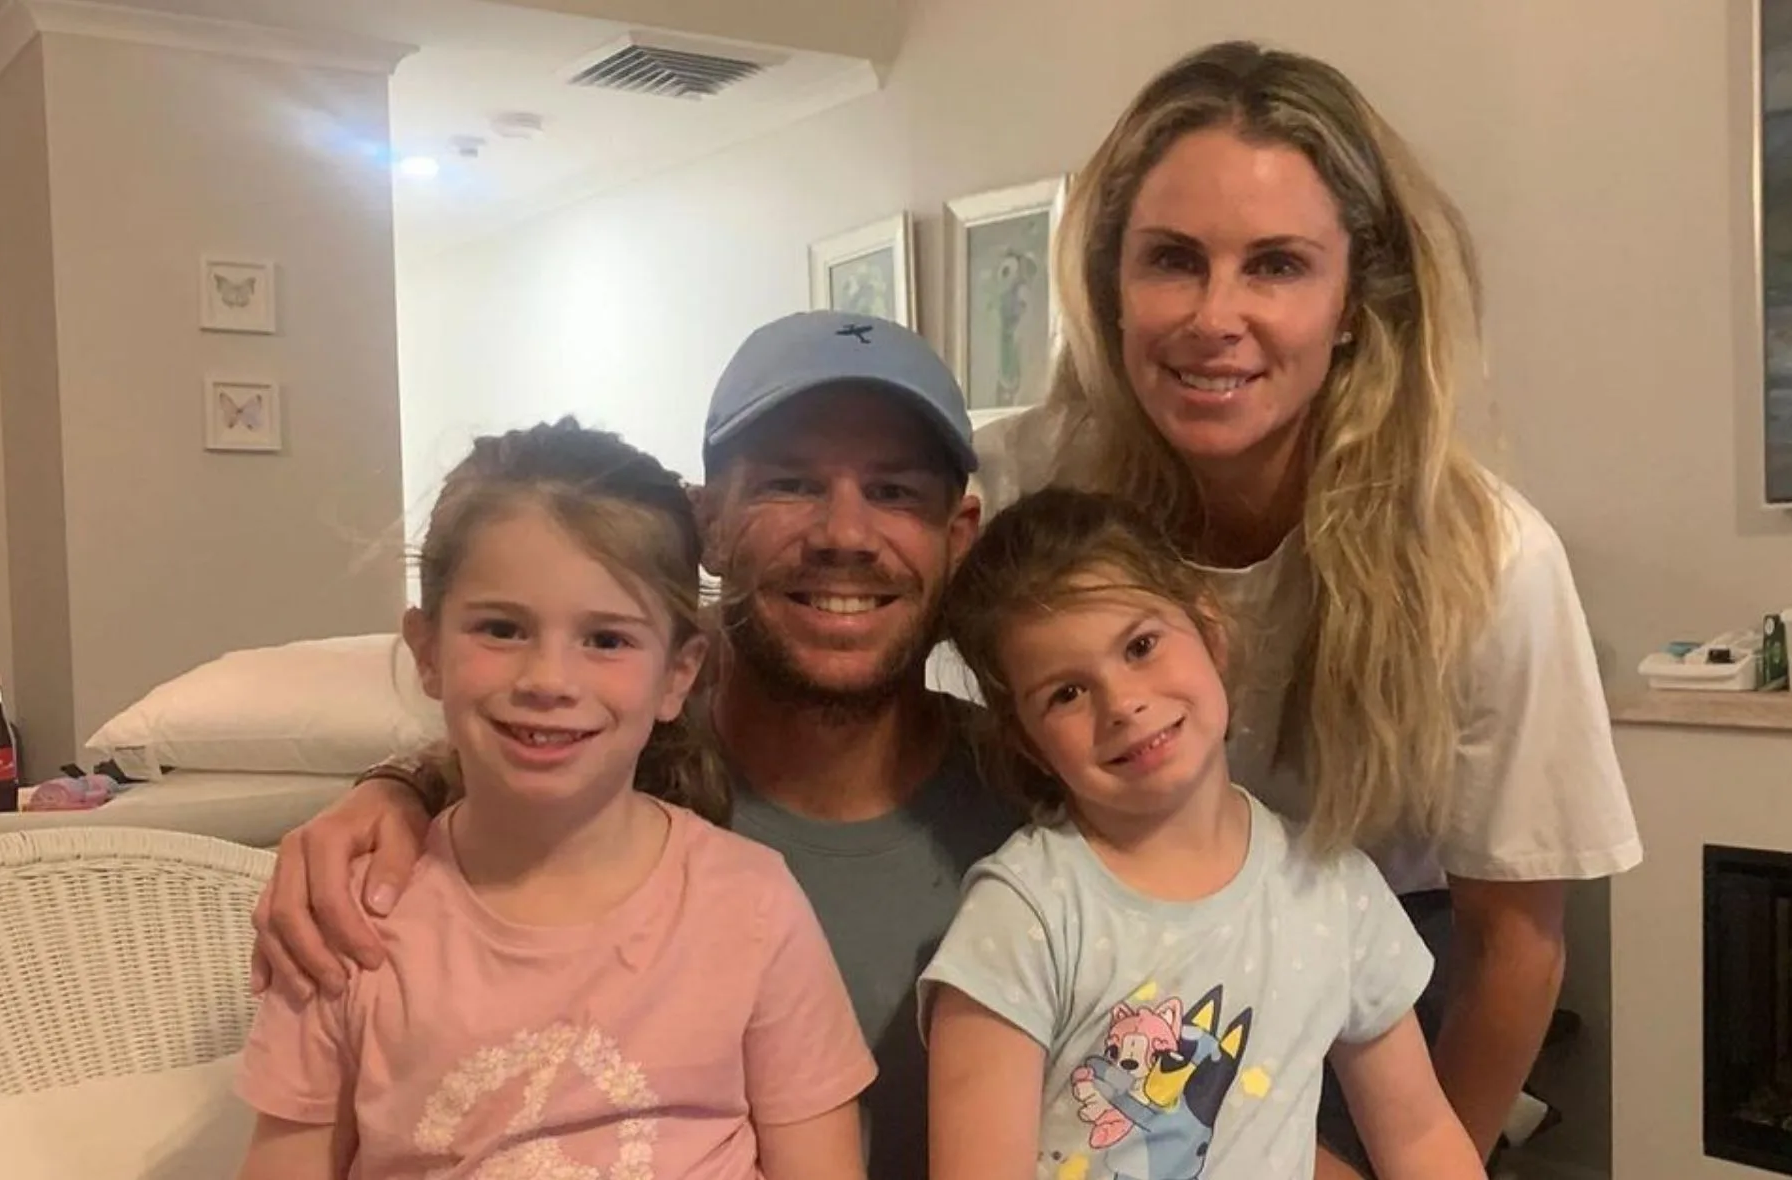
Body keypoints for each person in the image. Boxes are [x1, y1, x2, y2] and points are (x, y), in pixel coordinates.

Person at [971, 40, 1641, 1177]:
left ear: (1351, 304)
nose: (1213, 316)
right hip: (1084, 983)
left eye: (1276, 266)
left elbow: (1517, 945)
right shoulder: (1019, 485)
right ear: (1108, 281)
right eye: (1171, 260)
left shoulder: (1491, 560)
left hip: (1360, 1001)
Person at [246, 314, 1024, 1180]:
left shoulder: (1045, 778)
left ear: (959, 535)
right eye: (791, 483)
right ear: (709, 522)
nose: (844, 533)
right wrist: (392, 789)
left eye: (895, 492)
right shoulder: (607, 774)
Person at [235, 420, 873, 1179]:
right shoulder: (352, 923)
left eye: (606, 640)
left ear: (679, 674)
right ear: (428, 649)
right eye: (501, 629)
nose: (548, 679)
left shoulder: (752, 907)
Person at [922, 487, 1486, 1180]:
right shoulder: (1024, 914)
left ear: (1211, 634)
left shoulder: (1334, 889)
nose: (1123, 703)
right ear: (1031, 745)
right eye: (1066, 693)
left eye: (1141, 645)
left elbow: (1421, 1137)